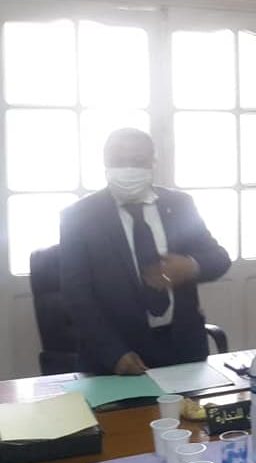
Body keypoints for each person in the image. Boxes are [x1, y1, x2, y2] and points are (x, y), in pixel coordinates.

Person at [60, 128, 231, 375]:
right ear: (105, 163)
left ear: (153, 163)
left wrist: (192, 266)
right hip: (117, 355)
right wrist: (113, 354)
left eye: (138, 161)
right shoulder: (79, 216)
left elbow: (219, 258)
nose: (128, 169)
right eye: (119, 161)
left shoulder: (179, 205)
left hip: (183, 349)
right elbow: (77, 295)